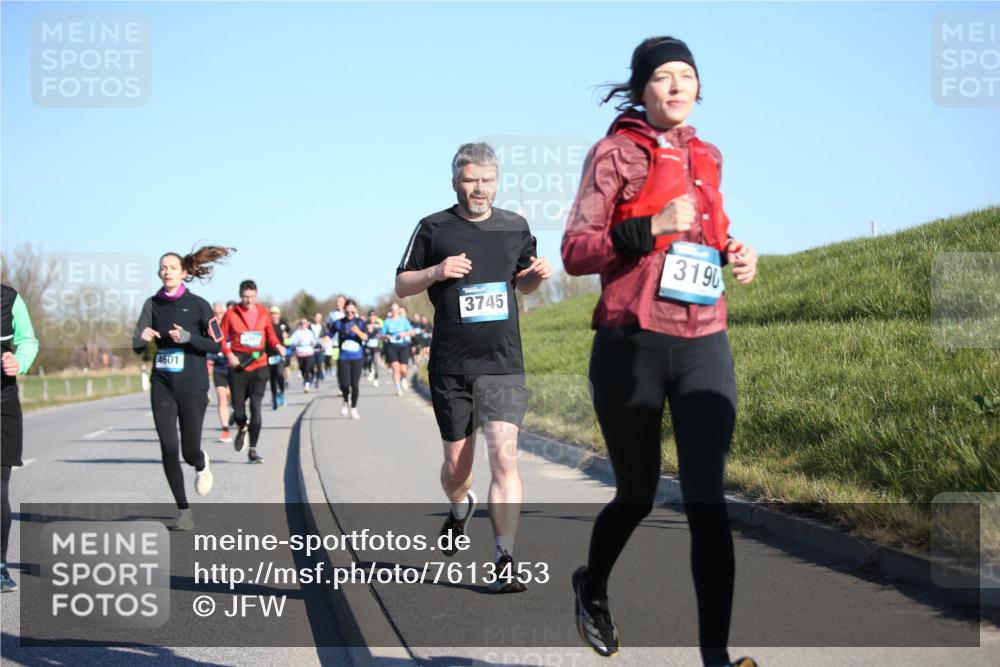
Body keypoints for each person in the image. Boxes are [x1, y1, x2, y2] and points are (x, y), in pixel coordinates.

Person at [560, 37, 759, 666]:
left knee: (707, 499)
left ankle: (716, 659)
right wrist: (650, 229)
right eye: (662, 78)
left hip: (705, 339)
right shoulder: (614, 152)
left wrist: (737, 251)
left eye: (687, 77)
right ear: (641, 89)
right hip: (631, 340)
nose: (676, 86)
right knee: (638, 492)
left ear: (699, 89)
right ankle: (593, 586)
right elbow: (576, 249)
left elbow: (713, 231)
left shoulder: (710, 155)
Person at [395, 142, 552, 593]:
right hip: (451, 366)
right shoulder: (433, 227)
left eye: (487, 180)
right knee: (456, 469)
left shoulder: (514, 226)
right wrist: (437, 271)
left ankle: (504, 559)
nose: (479, 188)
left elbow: (523, 283)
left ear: (496, 181)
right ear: (455, 182)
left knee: (505, 458)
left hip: (502, 362)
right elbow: (403, 283)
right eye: (470, 180)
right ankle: (460, 505)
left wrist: (536, 278)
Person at [133, 247, 232, 530]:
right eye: (163, 267)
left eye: (172, 267)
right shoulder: (151, 305)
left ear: (184, 272)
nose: (166, 271)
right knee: (167, 447)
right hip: (162, 383)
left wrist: (188, 337)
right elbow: (137, 346)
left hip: (192, 385)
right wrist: (142, 337)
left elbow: (215, 344)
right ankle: (183, 510)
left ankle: (201, 464)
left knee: (189, 451)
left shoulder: (199, 305)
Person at [220, 280, 285, 464]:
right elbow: (221, 338)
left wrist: (278, 345)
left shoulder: (263, 313)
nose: (249, 301)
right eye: (246, 297)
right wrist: (228, 354)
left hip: (259, 365)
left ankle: (253, 450)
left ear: (256, 295)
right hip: (238, 366)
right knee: (239, 411)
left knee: (256, 408)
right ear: (240, 295)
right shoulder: (231, 314)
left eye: (252, 297)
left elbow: (270, 335)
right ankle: (242, 427)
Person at [1, 284, 38, 592]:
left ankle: (0, 566)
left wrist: (19, 361)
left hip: (2, 406)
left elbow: (27, 340)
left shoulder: (9, 299)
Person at [333, 300, 368, 419]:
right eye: (347, 312)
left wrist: (357, 331)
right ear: (344, 311)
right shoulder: (339, 323)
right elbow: (329, 333)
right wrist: (325, 339)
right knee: (344, 384)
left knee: (354, 384)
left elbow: (366, 337)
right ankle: (345, 401)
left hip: (357, 357)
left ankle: (353, 408)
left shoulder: (361, 322)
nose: (350, 314)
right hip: (343, 357)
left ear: (356, 311)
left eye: (352, 312)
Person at [208, 302, 234, 442]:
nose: (218, 317)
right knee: (221, 397)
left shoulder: (231, 327)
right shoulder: (210, 329)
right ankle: (225, 430)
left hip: (232, 367)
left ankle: (234, 409)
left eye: (221, 314)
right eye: (215, 314)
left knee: (230, 395)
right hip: (219, 367)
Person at [380, 303, 414, 396]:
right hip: (392, 347)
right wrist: (385, 336)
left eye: (396, 309)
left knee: (403, 369)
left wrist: (405, 334)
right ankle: (398, 388)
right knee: (396, 369)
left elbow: (412, 332)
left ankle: (403, 378)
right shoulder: (387, 321)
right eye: (392, 309)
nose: (394, 311)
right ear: (390, 310)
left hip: (403, 346)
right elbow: (381, 335)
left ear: (398, 310)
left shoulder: (403, 320)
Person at [268, 306, 290, 409]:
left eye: (276, 314)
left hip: (279, 354)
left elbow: (290, 336)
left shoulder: (283, 325)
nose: (274, 316)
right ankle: (274, 398)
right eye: (272, 314)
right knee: (272, 378)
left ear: (279, 315)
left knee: (280, 374)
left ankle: (281, 392)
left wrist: (287, 336)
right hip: (269, 354)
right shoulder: (268, 325)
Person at [289, 318, 318, 392]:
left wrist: (313, 343)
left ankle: (307, 384)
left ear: (307, 324)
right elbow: (291, 341)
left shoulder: (310, 332)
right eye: (302, 323)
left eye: (305, 323)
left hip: (309, 352)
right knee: (302, 369)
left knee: (307, 369)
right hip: (300, 353)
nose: (303, 325)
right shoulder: (297, 333)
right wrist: (297, 341)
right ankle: (307, 381)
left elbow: (314, 341)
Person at [363, 310, 382, 385]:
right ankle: (370, 371)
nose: (372, 317)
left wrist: (373, 330)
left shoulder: (378, 324)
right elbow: (364, 333)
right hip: (368, 345)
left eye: (374, 316)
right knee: (368, 360)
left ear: (376, 317)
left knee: (376, 362)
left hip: (376, 346)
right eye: (371, 316)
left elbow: (379, 333)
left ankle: (376, 378)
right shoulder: (365, 324)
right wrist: (369, 332)